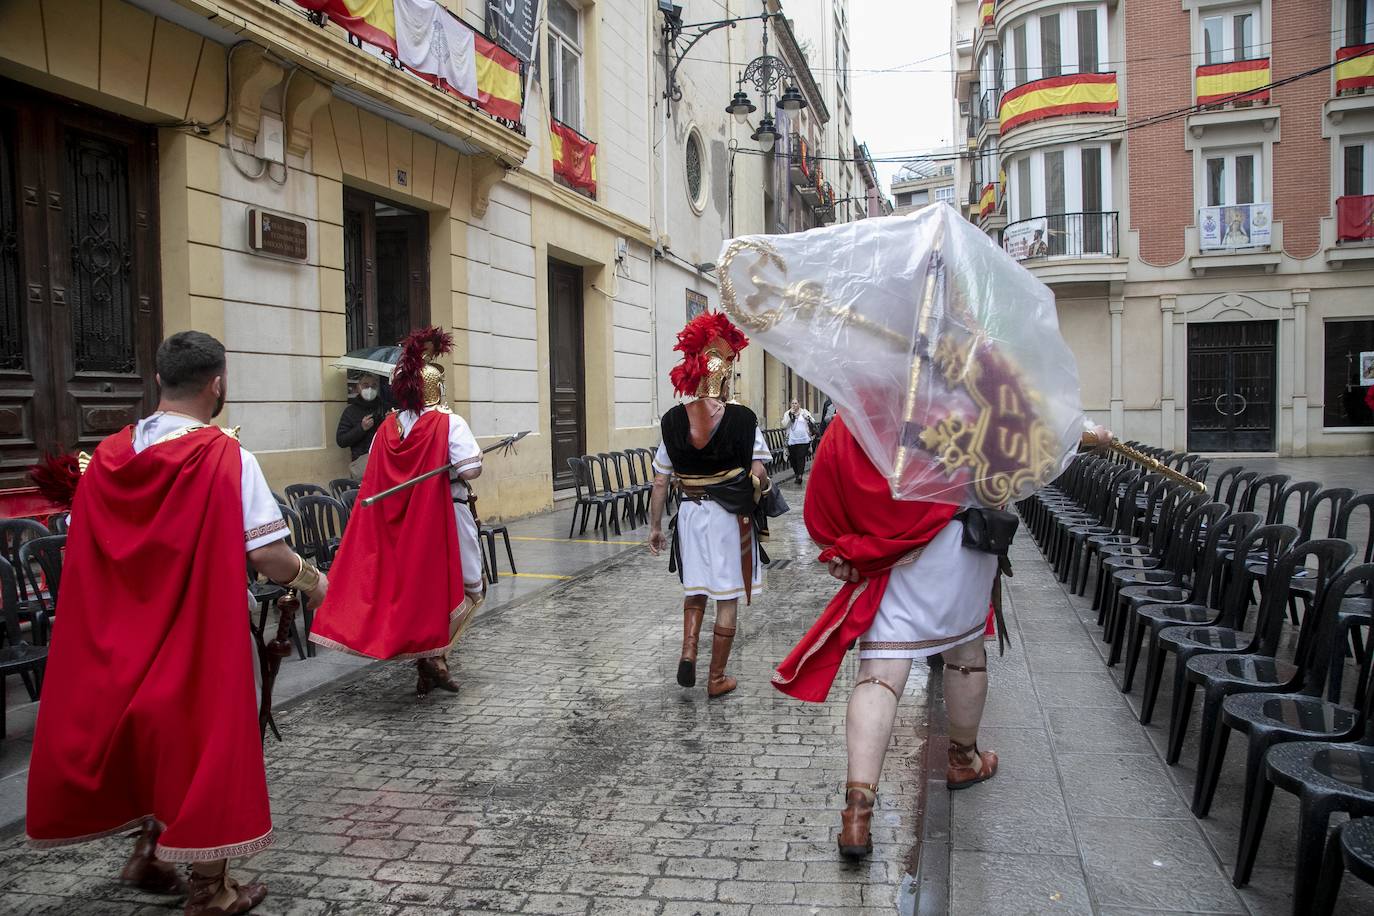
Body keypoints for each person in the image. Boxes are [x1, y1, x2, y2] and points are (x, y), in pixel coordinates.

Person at [26, 331, 328, 915]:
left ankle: (150, 853)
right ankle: (210, 891)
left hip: (116, 642)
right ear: (217, 384)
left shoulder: (108, 457)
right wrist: (314, 583)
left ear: (159, 380)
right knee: (202, 750)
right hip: (192, 638)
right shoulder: (225, 457)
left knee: (144, 744)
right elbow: (267, 555)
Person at [309, 326, 484, 695]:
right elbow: (470, 470)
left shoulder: (387, 427)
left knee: (416, 592)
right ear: (439, 390)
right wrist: (470, 459)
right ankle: (435, 657)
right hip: (445, 517)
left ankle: (430, 660)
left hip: (398, 525)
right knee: (471, 588)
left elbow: (375, 471)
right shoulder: (449, 422)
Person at [648, 312, 772, 698]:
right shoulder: (744, 418)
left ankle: (688, 651)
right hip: (728, 518)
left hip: (688, 513)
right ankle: (716, 678)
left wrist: (654, 527)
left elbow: (659, 481)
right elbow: (760, 474)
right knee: (727, 594)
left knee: (696, 587)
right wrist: (759, 487)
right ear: (727, 372)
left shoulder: (671, 420)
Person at [336, 373, 387, 480]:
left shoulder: (384, 408)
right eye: (366, 385)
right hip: (361, 465)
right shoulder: (350, 411)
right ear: (358, 387)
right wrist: (361, 428)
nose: (369, 389)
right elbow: (341, 440)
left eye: (373, 386)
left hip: (384, 462)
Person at [784, 398, 816, 486]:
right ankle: (797, 473)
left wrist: (808, 418)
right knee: (793, 458)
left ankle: (800, 476)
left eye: (796, 403)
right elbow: (784, 424)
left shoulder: (804, 412)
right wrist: (790, 418)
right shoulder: (788, 413)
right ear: (790, 404)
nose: (794, 405)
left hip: (804, 440)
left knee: (800, 457)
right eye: (793, 403)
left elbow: (813, 421)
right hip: (792, 440)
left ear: (799, 404)